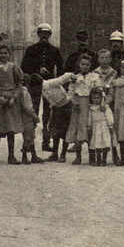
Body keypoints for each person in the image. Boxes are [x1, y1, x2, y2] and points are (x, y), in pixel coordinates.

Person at [21, 23, 63, 151]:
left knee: (48, 115)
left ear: (50, 35)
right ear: (38, 35)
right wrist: (36, 71)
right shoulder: (31, 50)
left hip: (49, 86)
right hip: (34, 85)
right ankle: (29, 143)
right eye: (42, 34)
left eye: (47, 34)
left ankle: (46, 142)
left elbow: (60, 68)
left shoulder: (54, 50)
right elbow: (24, 68)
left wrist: (56, 82)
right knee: (32, 113)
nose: (44, 36)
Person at [0, 44, 29, 165]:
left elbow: (20, 84)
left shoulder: (14, 67)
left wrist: (14, 97)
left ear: (9, 54)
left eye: (5, 53)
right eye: (1, 53)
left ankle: (11, 156)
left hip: (11, 101)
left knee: (11, 128)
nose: (3, 55)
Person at [66, 54, 102, 164]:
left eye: (87, 64)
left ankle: (92, 156)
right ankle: (78, 156)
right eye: (83, 64)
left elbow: (99, 89)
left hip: (90, 104)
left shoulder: (94, 77)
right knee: (78, 129)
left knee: (91, 129)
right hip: (78, 106)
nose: (85, 66)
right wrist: (73, 101)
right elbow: (70, 91)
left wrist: (97, 101)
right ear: (79, 65)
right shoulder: (75, 77)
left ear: (90, 65)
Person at [42, 71, 76, 162]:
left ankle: (63, 154)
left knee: (65, 132)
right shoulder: (42, 90)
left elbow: (64, 77)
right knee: (55, 132)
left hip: (66, 107)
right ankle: (54, 153)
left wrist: (71, 75)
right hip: (56, 109)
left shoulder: (50, 83)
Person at [88, 87, 115, 166]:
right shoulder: (91, 108)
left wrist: (110, 126)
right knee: (97, 143)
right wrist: (89, 126)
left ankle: (104, 159)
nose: (96, 100)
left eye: (98, 98)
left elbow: (109, 116)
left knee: (104, 143)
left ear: (101, 98)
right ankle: (98, 159)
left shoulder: (105, 107)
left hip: (104, 127)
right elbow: (90, 118)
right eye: (94, 98)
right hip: (96, 128)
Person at [21, 75, 44, 164]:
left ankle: (33, 155)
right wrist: (35, 116)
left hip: (26, 117)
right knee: (28, 137)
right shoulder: (25, 93)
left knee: (30, 136)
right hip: (27, 118)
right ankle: (25, 156)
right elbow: (27, 108)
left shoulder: (22, 91)